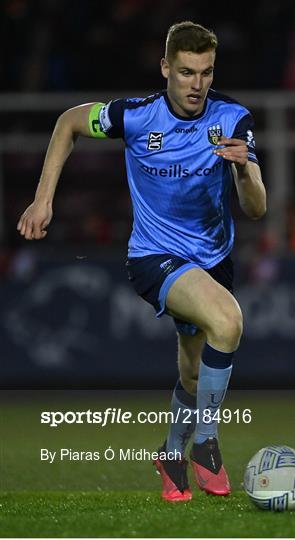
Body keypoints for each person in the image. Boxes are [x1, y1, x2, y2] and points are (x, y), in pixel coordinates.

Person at [17, 21, 266, 502]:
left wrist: (244, 171)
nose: (197, 85)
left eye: (207, 73)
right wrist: (42, 199)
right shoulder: (134, 116)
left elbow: (256, 208)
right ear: (166, 68)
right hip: (154, 258)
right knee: (229, 321)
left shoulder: (233, 119)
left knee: (195, 374)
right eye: (187, 72)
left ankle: (172, 452)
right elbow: (69, 121)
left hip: (212, 260)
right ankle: (207, 445)